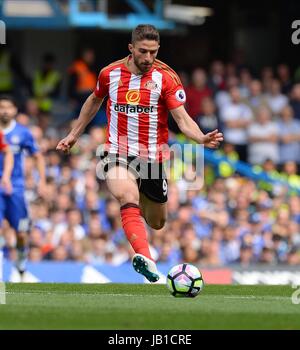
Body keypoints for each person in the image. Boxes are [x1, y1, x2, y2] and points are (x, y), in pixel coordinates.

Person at [57, 24, 223, 282]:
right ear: (131, 48)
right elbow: (93, 100)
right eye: (143, 51)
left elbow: (181, 117)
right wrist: (74, 134)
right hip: (117, 151)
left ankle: (138, 221)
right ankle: (147, 258)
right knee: (127, 195)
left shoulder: (166, 77)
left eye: (153, 52)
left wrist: (200, 137)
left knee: (157, 222)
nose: (148, 58)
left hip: (153, 159)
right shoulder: (109, 74)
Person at [0, 95, 46, 276]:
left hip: (16, 188)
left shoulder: (23, 133)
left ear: (14, 110)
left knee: (20, 231)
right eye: (1, 106)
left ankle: (20, 260)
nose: (4, 110)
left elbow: (37, 156)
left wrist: (41, 180)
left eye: (8, 107)